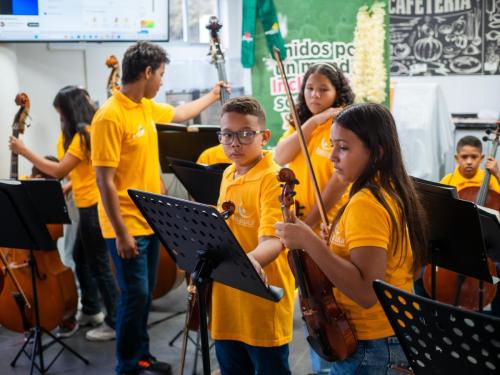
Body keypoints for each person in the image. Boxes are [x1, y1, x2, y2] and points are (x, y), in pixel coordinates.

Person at [90, 41, 228, 375]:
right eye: (161, 75)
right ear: (147, 72)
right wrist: (121, 233)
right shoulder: (110, 116)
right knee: (134, 295)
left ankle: (142, 356)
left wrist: (213, 94)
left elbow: (180, 114)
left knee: (144, 295)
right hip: (126, 224)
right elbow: (104, 181)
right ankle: (127, 363)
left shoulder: (144, 106)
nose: (163, 82)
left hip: (149, 219)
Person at [275, 103, 428, 374]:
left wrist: (309, 241)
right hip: (387, 335)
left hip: (374, 343)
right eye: (332, 145)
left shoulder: (366, 203)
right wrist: (330, 245)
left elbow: (367, 292)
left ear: (377, 153)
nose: (332, 156)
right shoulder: (388, 188)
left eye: (343, 148)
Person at [9, 86, 118, 340]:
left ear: (69, 110)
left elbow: (58, 171)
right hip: (83, 202)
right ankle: (92, 309)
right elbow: (76, 172)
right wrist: (69, 186)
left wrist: (25, 151)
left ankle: (114, 322)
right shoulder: (72, 135)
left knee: (100, 266)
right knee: (81, 258)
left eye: (60, 113)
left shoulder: (84, 134)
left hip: (93, 206)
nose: (59, 118)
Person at [273, 62, 354, 373]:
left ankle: (334, 364)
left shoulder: (343, 125)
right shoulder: (303, 124)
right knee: (312, 305)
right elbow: (279, 157)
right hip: (301, 227)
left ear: (338, 92)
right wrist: (312, 121)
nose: (315, 95)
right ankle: (323, 365)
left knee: (329, 305)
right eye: (309, 88)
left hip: (328, 227)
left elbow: (339, 180)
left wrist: (310, 225)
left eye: (323, 89)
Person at [210, 97, 294, 374]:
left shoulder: (273, 178)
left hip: (261, 299)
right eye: (227, 134)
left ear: (264, 136)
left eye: (246, 134)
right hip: (227, 299)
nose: (235, 143)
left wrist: (251, 262)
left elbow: (274, 239)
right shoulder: (228, 174)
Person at [440, 135, 500, 316]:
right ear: (456, 158)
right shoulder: (448, 181)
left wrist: (497, 173)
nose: (468, 162)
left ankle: (495, 325)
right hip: (455, 248)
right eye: (464, 157)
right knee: (426, 272)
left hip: (486, 249)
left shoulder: (490, 180)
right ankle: (439, 317)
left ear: (481, 158)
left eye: (474, 157)